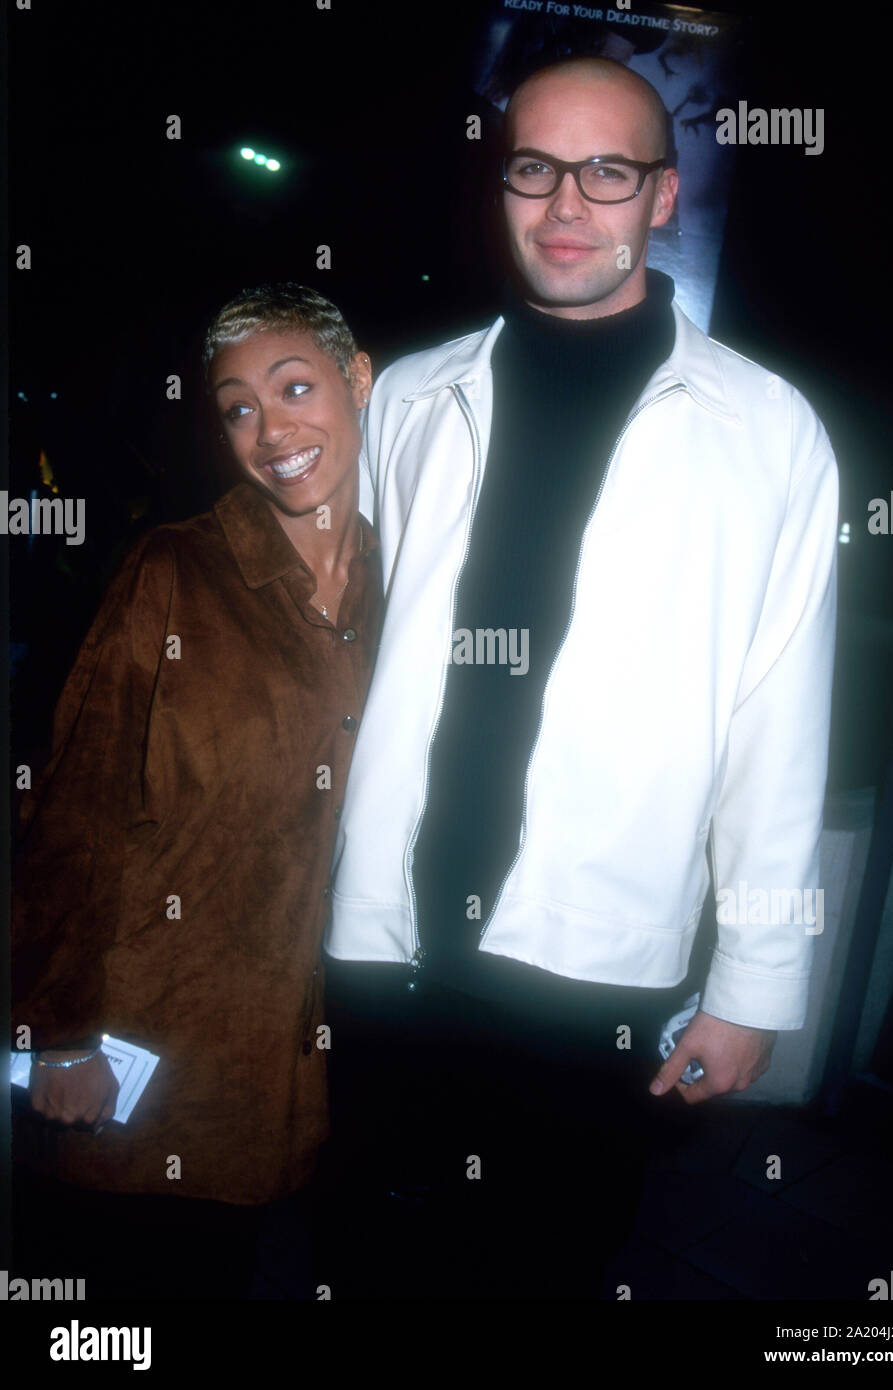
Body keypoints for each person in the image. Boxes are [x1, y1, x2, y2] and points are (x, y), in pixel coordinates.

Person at [322, 57, 838, 1300]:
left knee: (552, 1263)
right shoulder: (409, 394)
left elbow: (782, 727)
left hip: (594, 963)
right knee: (385, 1254)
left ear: (663, 196)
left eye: (607, 171)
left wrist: (755, 986)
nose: (567, 204)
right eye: (535, 168)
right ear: (498, 184)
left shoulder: (769, 431)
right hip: (390, 944)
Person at [10, 283, 381, 1299]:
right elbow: (71, 811)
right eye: (237, 407)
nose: (269, 430)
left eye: (295, 386)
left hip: (308, 1049)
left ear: (358, 381)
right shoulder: (171, 572)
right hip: (149, 1036)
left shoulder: (412, 583)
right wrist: (57, 1031)